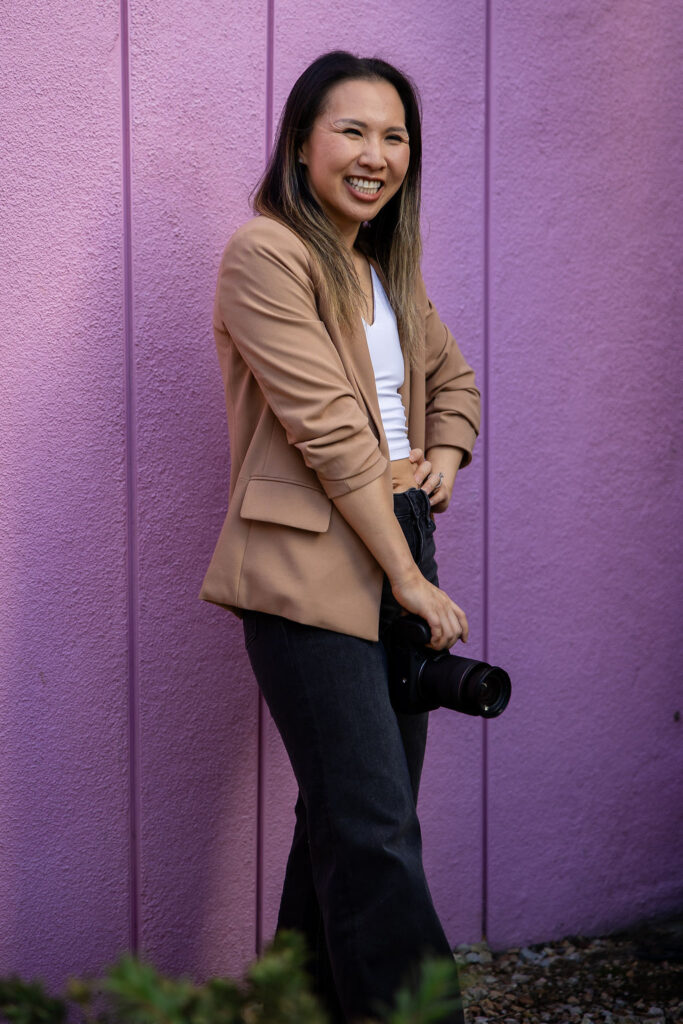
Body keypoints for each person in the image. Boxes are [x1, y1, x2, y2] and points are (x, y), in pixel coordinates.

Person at [199, 50, 481, 1024]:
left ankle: (288, 1009)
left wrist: (441, 457)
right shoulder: (265, 255)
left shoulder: (381, 271)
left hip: (398, 532)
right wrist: (405, 574)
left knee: (352, 819)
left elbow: (453, 384)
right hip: (311, 565)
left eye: (394, 134)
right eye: (352, 130)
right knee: (370, 829)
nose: (376, 153)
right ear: (301, 144)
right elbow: (326, 428)